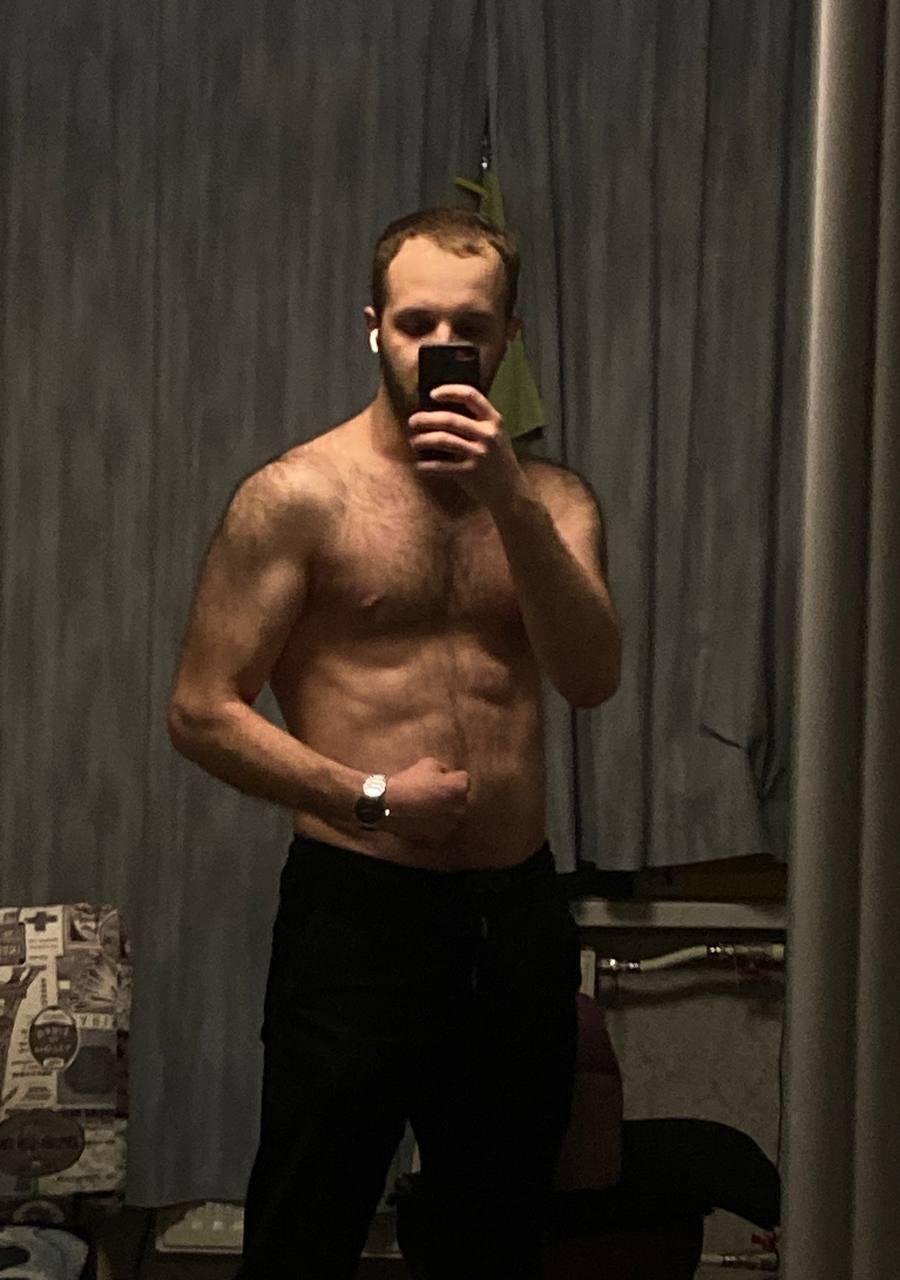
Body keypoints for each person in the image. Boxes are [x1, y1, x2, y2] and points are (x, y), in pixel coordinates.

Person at [167, 207, 622, 1279]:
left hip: (513, 920)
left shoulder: (556, 502)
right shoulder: (298, 497)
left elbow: (590, 676)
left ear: (508, 337)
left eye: (470, 324)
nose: (439, 344)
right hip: (357, 920)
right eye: (415, 322)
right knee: (307, 1229)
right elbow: (200, 709)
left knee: (498, 1238)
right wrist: (368, 795)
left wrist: (507, 496)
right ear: (373, 326)